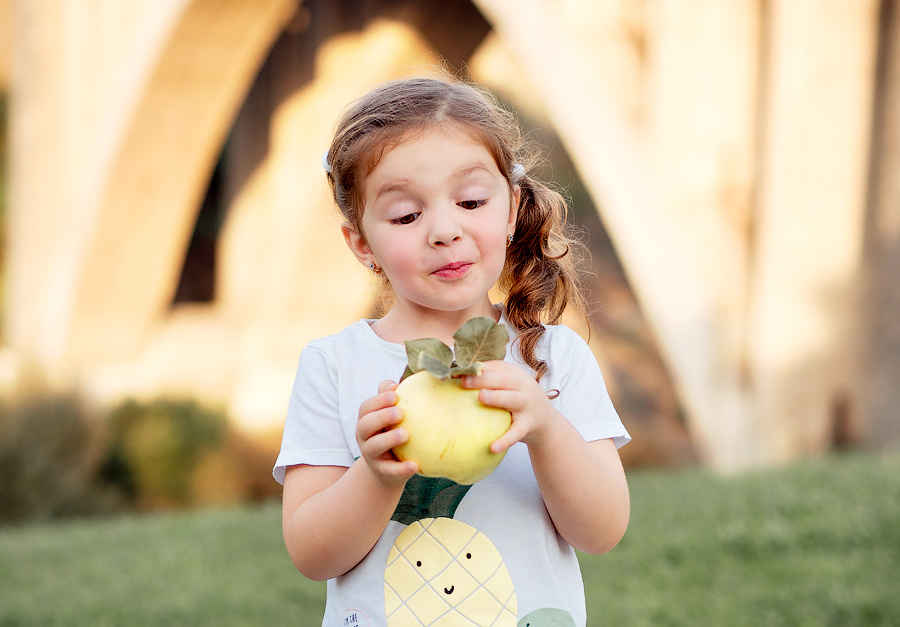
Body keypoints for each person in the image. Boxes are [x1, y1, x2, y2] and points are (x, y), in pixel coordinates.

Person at [274, 74, 630, 627]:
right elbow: (312, 555)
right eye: (406, 215)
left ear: (511, 209)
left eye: (469, 200)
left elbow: (602, 532)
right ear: (361, 242)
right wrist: (375, 473)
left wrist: (543, 425)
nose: (444, 229)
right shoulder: (334, 366)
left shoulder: (554, 358)